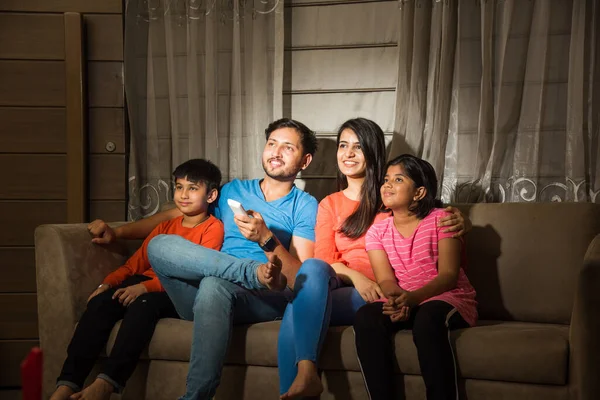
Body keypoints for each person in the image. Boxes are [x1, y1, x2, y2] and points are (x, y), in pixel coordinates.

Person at [277, 118, 471, 399]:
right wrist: (355, 276)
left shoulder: (390, 197)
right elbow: (323, 261)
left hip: (384, 289)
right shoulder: (329, 204)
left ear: (373, 152)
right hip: (344, 286)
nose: (349, 153)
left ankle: (302, 382)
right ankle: (304, 378)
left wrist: (465, 221)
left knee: (297, 308)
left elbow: (430, 217)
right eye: (343, 145)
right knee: (313, 270)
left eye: (358, 146)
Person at [49, 159, 225, 400]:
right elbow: (135, 264)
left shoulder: (213, 228)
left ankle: (107, 384)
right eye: (179, 187)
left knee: (142, 307)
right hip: (145, 283)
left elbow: (197, 273)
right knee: (100, 303)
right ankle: (67, 383)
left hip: (177, 290)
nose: (183, 194)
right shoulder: (165, 226)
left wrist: (145, 288)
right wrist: (107, 284)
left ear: (211, 195)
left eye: (192, 188)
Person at [353, 154, 478, 400]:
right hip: (405, 297)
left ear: (419, 192)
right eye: (386, 179)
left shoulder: (442, 219)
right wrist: (397, 300)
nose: (386, 185)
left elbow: (449, 276)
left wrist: (413, 299)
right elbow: (386, 280)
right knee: (366, 317)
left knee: (428, 319)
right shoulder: (377, 231)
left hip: (445, 297)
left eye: (398, 179)